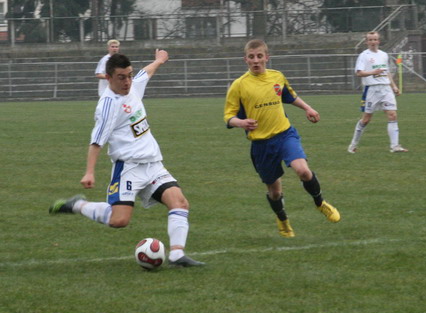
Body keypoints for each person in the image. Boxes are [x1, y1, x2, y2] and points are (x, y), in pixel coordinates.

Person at [50, 50, 204, 267]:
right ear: (108, 77)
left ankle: (177, 255)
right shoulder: (107, 105)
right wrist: (89, 171)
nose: (127, 81)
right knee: (119, 220)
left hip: (152, 164)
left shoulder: (133, 86)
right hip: (128, 168)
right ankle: (78, 205)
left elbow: (145, 73)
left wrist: (159, 60)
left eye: (129, 75)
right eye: (121, 77)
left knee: (179, 202)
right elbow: (97, 141)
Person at [224, 39, 340, 238]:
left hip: (285, 135)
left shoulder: (277, 77)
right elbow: (228, 116)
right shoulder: (239, 85)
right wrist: (240, 123)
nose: (256, 60)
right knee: (275, 192)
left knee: (303, 171)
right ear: (246, 60)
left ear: (267, 57)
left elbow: (289, 96)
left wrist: (308, 108)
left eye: (260, 56)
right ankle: (283, 219)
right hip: (261, 144)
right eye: (251, 57)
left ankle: (320, 203)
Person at [347, 31, 407, 154]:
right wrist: (373, 73)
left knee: (392, 115)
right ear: (367, 42)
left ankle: (394, 146)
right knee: (366, 119)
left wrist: (394, 86)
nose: (373, 42)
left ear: (379, 41)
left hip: (386, 88)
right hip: (371, 89)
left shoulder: (384, 55)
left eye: (375, 40)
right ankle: (353, 145)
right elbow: (358, 73)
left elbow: (387, 72)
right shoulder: (364, 55)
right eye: (370, 40)